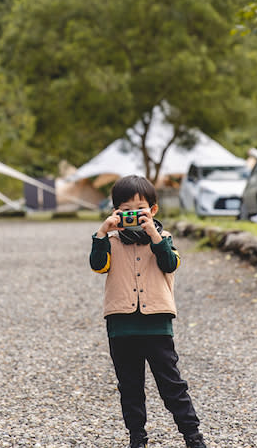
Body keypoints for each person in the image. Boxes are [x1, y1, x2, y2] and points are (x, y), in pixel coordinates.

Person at [89, 175, 207, 448]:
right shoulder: (111, 241)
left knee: (172, 384)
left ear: (153, 210)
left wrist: (154, 235)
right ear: (115, 211)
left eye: (139, 209)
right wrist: (102, 233)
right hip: (121, 325)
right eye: (125, 210)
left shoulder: (164, 239)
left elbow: (170, 264)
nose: (133, 215)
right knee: (129, 386)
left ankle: (192, 435)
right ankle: (137, 437)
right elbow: (98, 266)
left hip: (157, 323)